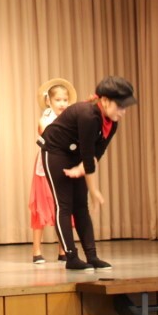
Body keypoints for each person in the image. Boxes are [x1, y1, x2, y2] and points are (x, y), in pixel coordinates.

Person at [38, 76, 136, 272]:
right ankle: (71, 257)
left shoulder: (112, 123)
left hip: (76, 156)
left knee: (81, 207)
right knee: (64, 205)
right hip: (55, 151)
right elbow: (87, 156)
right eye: (120, 106)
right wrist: (93, 189)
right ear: (105, 101)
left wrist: (81, 169)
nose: (123, 112)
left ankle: (92, 256)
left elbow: (95, 155)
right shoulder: (88, 115)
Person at [30, 78, 76, 263]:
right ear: (49, 101)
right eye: (58, 100)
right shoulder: (45, 119)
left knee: (63, 206)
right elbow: (49, 136)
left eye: (65, 100)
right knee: (41, 207)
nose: (62, 103)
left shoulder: (70, 119)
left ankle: (63, 250)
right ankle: (36, 251)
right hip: (46, 165)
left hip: (65, 165)